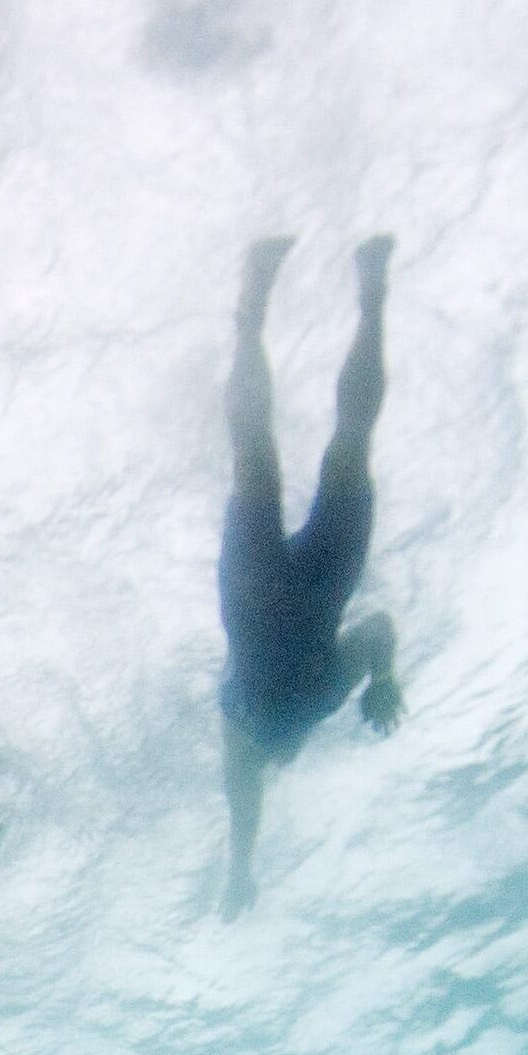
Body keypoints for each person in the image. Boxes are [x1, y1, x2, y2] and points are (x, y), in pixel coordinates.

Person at [213, 235, 401, 916]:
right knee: (286, 449)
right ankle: (338, 301)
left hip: (276, 594)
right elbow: (244, 804)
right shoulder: (255, 733)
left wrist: (382, 682)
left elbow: (378, 632)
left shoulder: (289, 715)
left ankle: (350, 300)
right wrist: (381, 681)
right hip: (272, 595)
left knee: (330, 445)